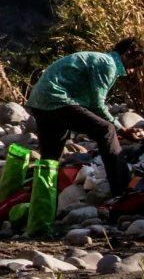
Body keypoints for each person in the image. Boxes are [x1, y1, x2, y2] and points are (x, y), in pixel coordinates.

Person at [26, 37, 144, 197]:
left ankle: (40, 199)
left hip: (40, 102)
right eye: (134, 65)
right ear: (128, 53)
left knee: (50, 156)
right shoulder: (108, 64)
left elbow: (88, 105)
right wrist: (122, 129)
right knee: (106, 130)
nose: (132, 71)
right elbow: (97, 105)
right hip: (58, 99)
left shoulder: (99, 59)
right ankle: (122, 189)